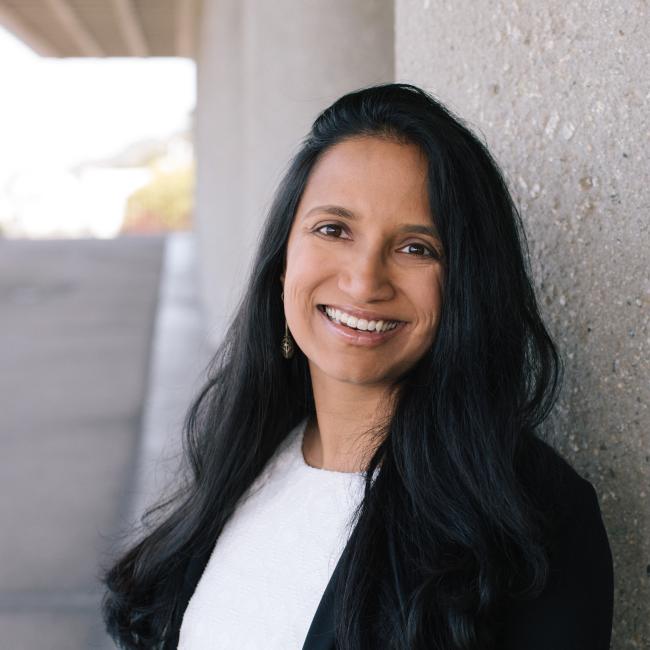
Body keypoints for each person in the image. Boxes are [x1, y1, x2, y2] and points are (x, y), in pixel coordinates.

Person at [101, 83, 614, 649]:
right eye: (333, 230)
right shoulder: (243, 458)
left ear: (466, 284)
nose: (364, 281)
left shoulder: (536, 517)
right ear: (283, 260)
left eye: (417, 247)